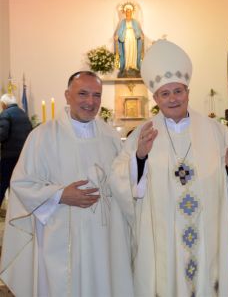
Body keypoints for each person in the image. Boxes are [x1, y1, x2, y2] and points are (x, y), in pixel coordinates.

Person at [110, 40, 228, 296]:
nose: (173, 98)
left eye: (178, 91)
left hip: (206, 235)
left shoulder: (216, 132)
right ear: (155, 98)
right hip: (164, 239)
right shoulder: (143, 133)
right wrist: (139, 156)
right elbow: (119, 179)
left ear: (188, 92)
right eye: (165, 93)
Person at [0, 71, 133, 297]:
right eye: (82, 93)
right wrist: (59, 195)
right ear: (67, 95)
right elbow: (22, 183)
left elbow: (125, 181)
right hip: (60, 238)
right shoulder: (42, 136)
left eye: (96, 95)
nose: (90, 102)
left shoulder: (110, 137)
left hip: (104, 238)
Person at [0, 93, 32, 208]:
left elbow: (2, 134)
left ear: (3, 104)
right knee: (16, 184)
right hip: (22, 156)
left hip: (9, 156)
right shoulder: (23, 113)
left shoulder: (6, 114)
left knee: (2, 183)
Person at [114, 2, 143, 78]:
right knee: (127, 50)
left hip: (133, 37)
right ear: (125, 13)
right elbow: (120, 30)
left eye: (129, 12)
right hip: (126, 37)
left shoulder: (135, 21)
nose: (128, 13)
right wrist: (117, 35)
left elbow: (138, 30)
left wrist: (140, 35)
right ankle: (127, 66)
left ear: (132, 13)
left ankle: (133, 65)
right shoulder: (123, 21)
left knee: (133, 51)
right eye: (127, 12)